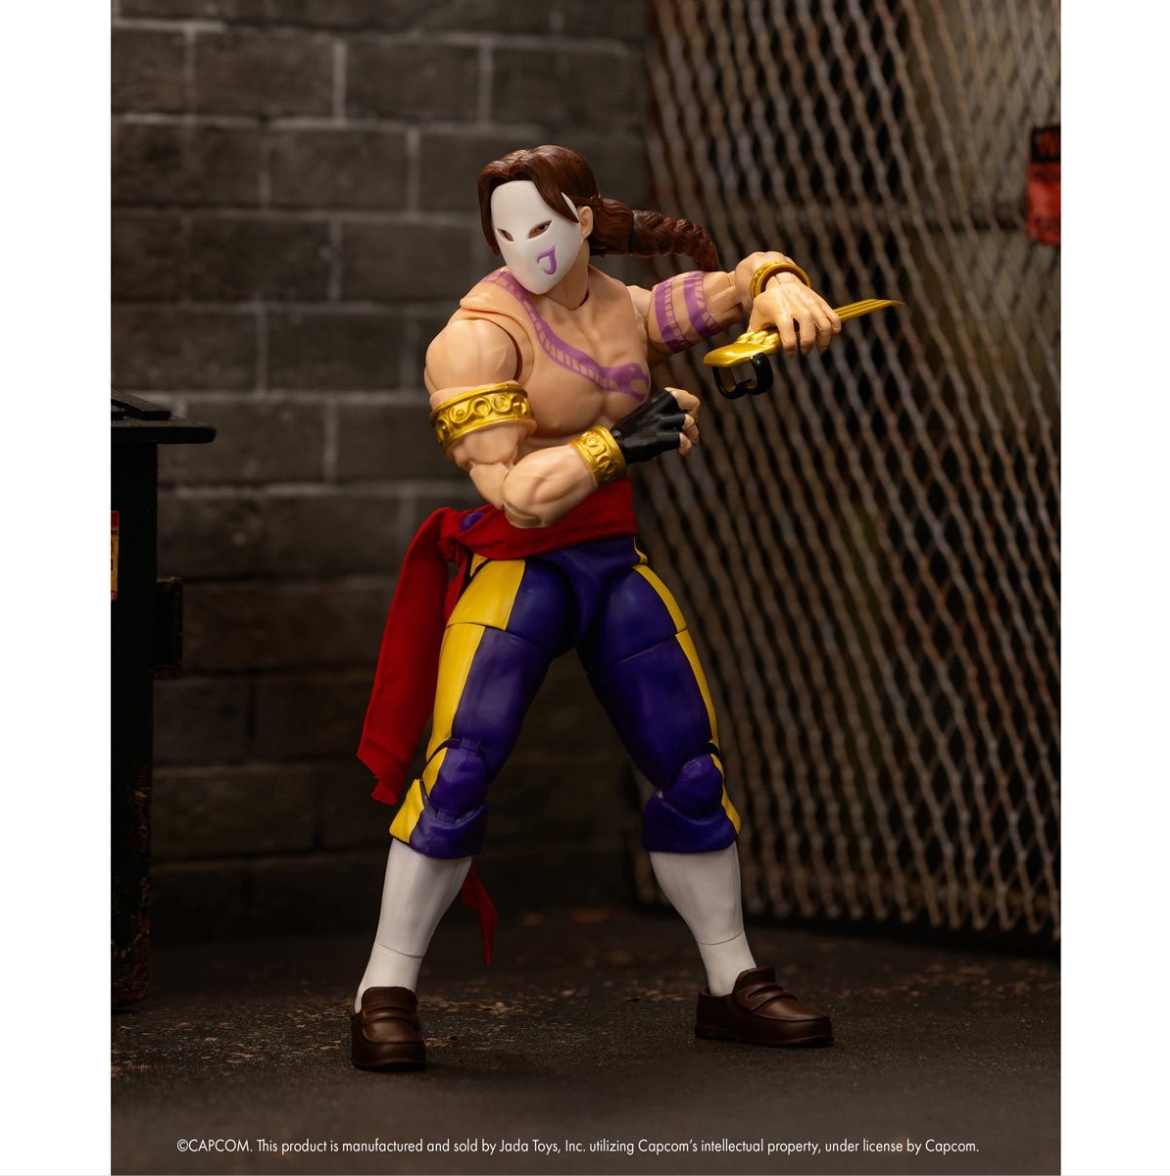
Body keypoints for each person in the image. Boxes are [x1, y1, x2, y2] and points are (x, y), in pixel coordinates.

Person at [351, 145, 842, 1069]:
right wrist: (620, 445)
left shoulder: (627, 307)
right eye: (505, 232)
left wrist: (778, 281)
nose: (524, 247)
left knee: (689, 767)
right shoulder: (478, 336)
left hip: (611, 563)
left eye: (540, 225)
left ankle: (730, 981)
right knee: (458, 771)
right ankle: (383, 988)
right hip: (523, 569)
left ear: (582, 219)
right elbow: (516, 494)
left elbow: (728, 288)